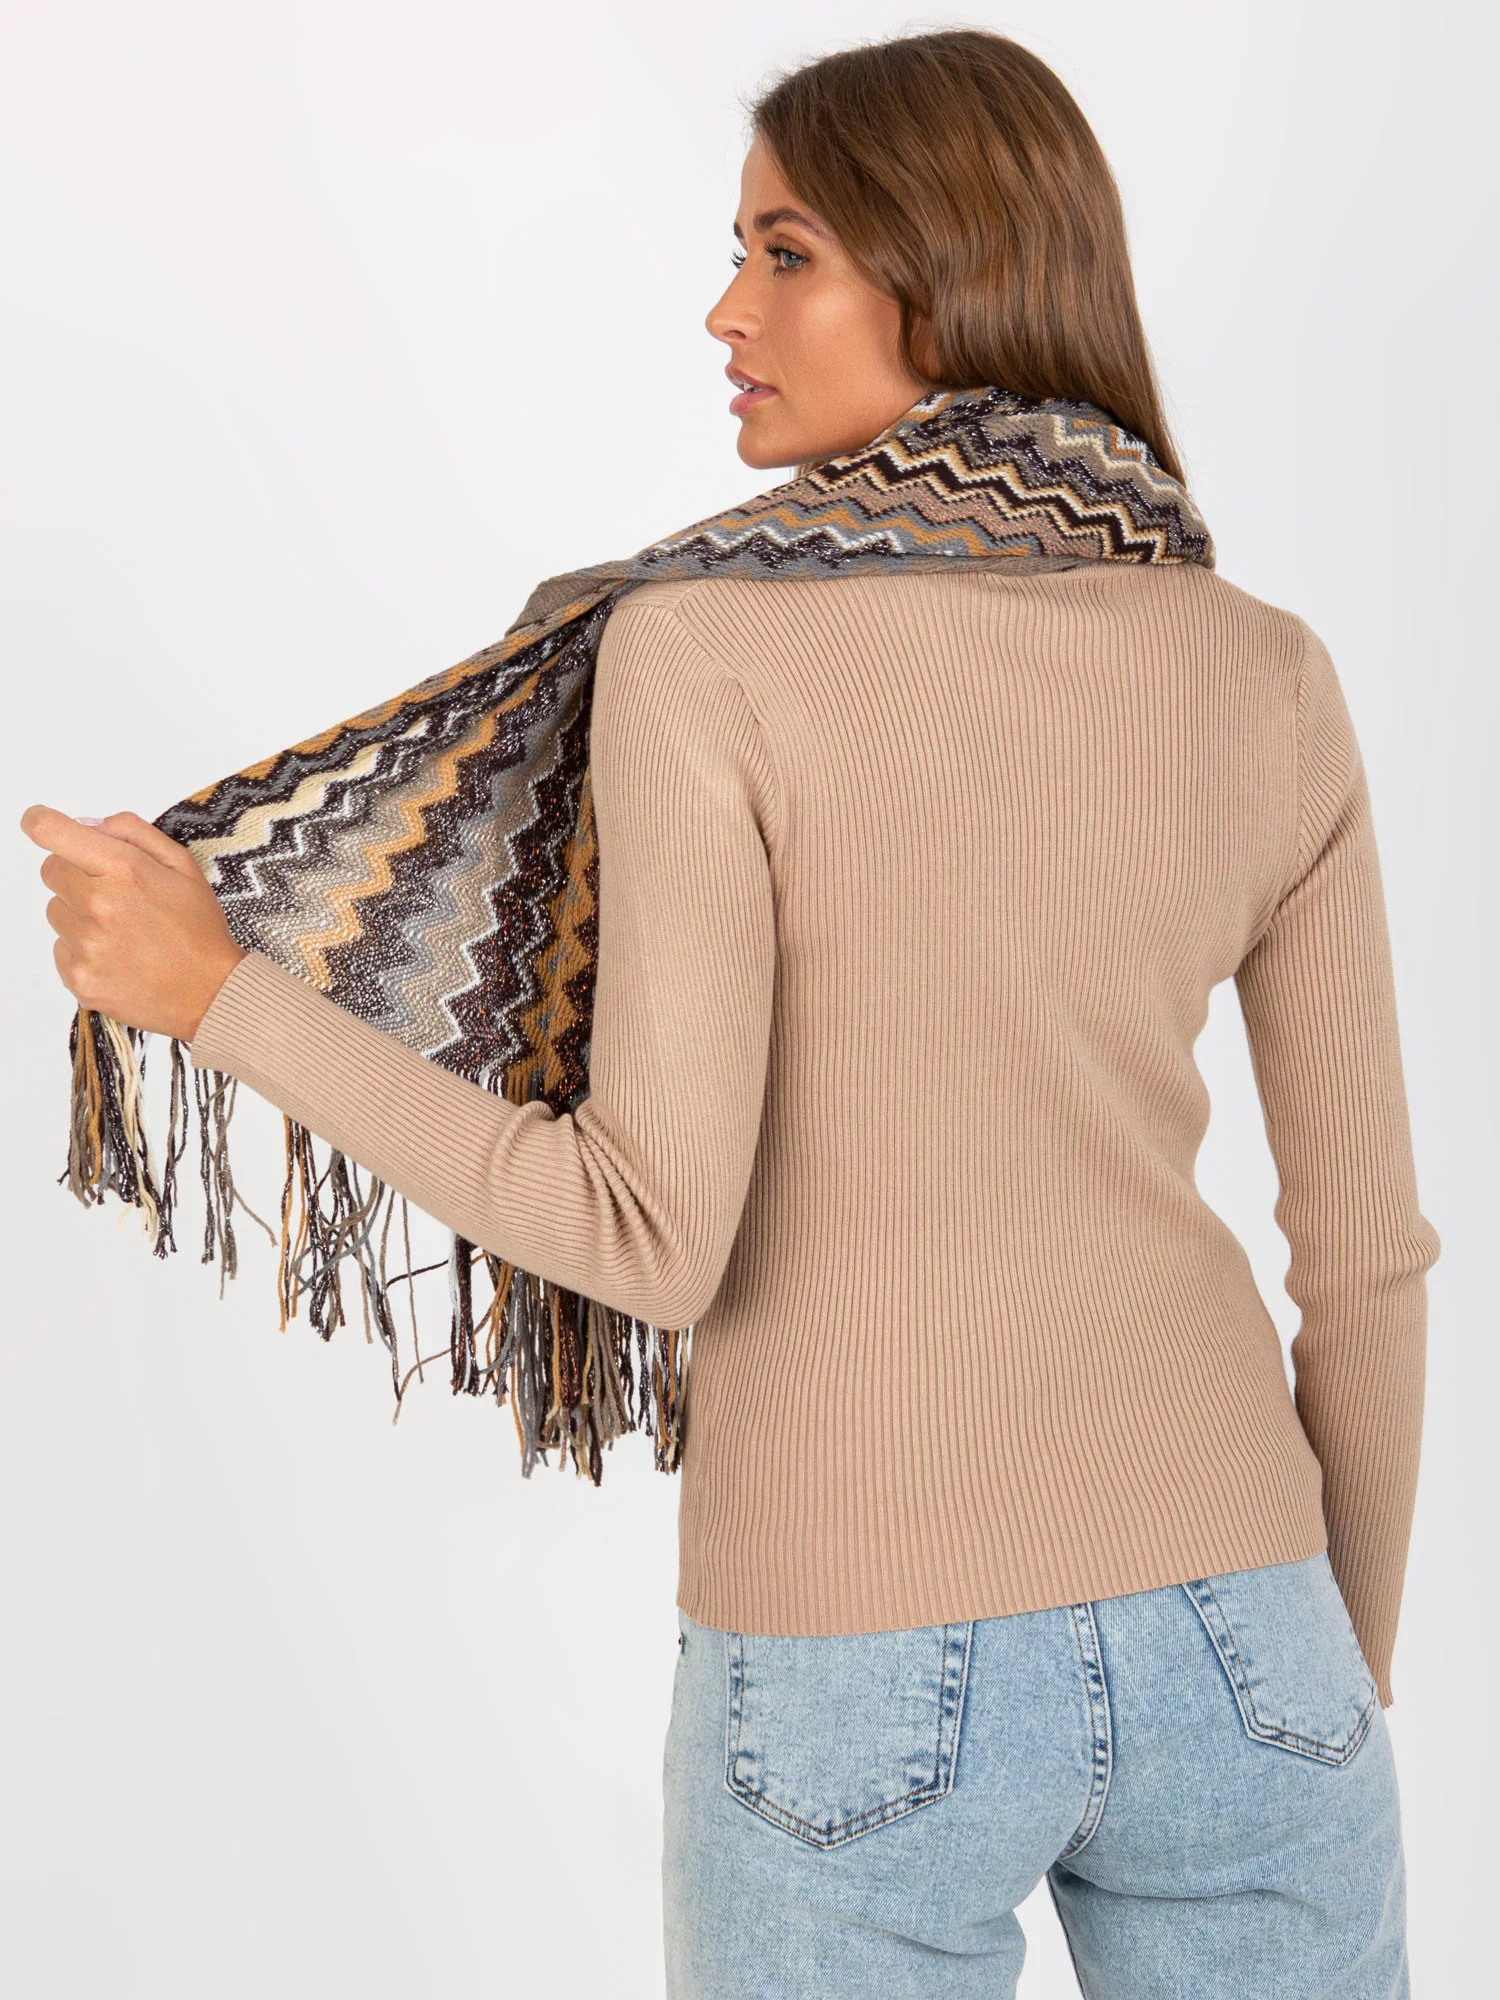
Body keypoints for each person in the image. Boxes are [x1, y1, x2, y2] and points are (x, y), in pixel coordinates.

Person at [20, 28, 1440, 1999]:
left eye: (786, 253)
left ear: (946, 273)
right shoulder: (1262, 667)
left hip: (859, 1642)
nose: (727, 310)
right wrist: (1331, 1674)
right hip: (1255, 1624)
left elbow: (646, 1230)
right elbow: (1365, 1262)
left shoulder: (702, 654)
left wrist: (220, 993)